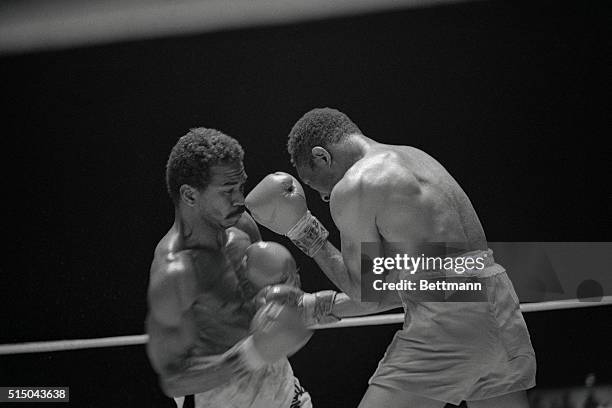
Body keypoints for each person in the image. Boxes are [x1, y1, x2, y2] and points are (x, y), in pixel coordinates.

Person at [245, 108, 537, 408]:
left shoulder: (356, 183)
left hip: (450, 327)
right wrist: (323, 305)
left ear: (322, 157)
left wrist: (304, 230)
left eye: (315, 183)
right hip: (500, 310)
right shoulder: (417, 158)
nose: (323, 197)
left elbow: (365, 293)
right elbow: (442, 277)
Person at [146, 128, 324, 408]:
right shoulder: (174, 272)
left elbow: (260, 306)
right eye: (227, 191)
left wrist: (288, 293)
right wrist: (252, 354)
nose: (240, 199)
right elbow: (174, 381)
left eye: (240, 187)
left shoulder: (242, 226)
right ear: (190, 195)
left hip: (286, 395)